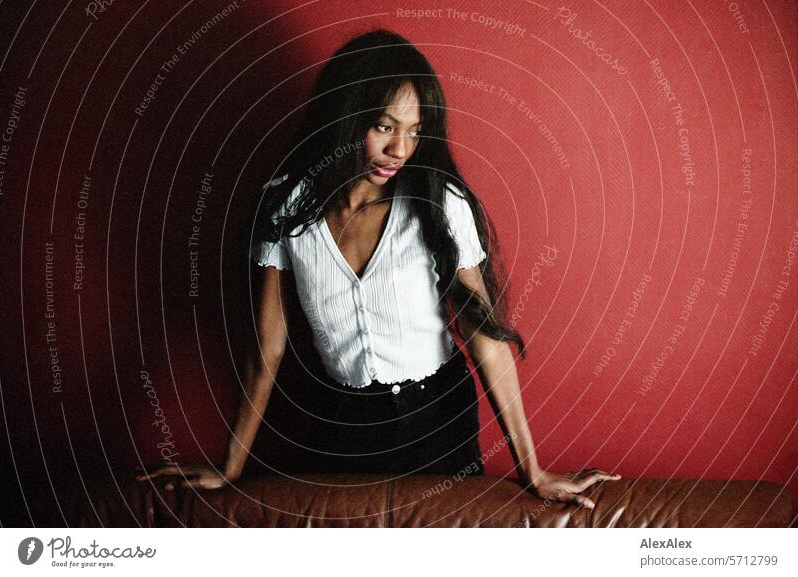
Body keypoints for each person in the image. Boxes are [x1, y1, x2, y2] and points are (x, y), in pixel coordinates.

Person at [137, 29, 620, 509]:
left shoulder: (439, 205)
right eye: (385, 127)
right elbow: (267, 346)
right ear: (344, 116)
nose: (401, 150)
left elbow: (485, 340)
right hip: (336, 426)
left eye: (414, 131)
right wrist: (231, 466)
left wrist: (531, 471)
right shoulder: (284, 206)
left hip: (437, 423)